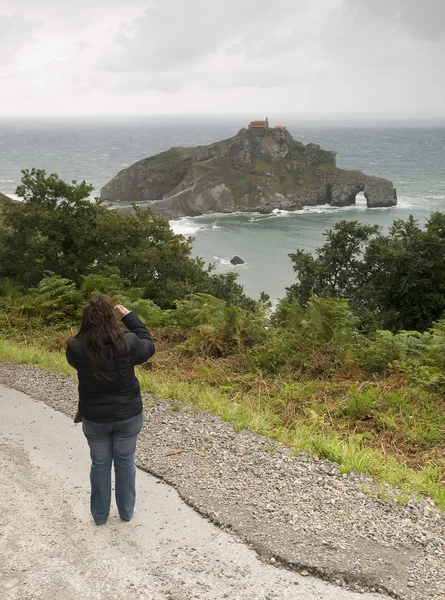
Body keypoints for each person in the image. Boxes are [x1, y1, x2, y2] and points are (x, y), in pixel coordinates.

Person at [66, 294, 155, 525]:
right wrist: (131, 319)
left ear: (86, 320)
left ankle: (99, 516)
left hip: (95, 417)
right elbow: (149, 345)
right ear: (112, 319)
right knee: (125, 461)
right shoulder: (128, 342)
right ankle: (126, 512)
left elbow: (79, 347)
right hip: (128, 415)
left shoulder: (75, 347)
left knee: (99, 464)